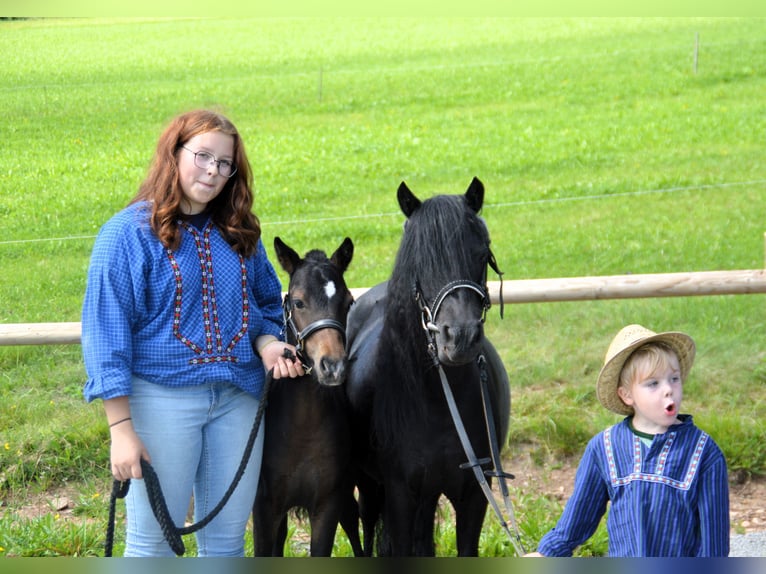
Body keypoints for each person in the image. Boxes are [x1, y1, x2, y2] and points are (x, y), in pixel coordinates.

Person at [82, 109, 304, 557]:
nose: (213, 171)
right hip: (161, 401)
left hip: (237, 401)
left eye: (225, 164)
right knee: (152, 546)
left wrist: (265, 342)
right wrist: (121, 429)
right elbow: (106, 333)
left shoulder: (240, 232)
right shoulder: (126, 235)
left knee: (226, 544)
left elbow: (264, 302)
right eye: (203, 156)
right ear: (174, 153)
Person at [525, 324, 729, 557]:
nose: (668, 390)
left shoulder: (703, 452)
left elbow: (715, 543)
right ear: (627, 395)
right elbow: (578, 517)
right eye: (653, 383)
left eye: (674, 379)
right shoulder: (604, 448)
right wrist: (547, 554)